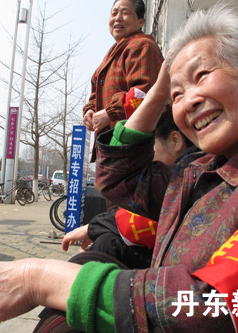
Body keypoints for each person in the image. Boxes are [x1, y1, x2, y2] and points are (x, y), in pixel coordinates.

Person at [0, 5, 238, 333]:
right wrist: (155, 95)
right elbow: (118, 180)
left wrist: (45, 280)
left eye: (202, 76)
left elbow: (224, 305)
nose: (187, 102)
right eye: (177, 94)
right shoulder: (199, 168)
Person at [62, 107, 199, 269]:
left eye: (149, 152)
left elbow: (144, 222)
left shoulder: (191, 175)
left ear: (175, 141)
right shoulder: (187, 170)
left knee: (107, 246)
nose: (144, 162)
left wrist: (95, 228)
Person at [83, 0, 163, 163]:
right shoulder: (112, 54)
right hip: (112, 147)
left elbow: (145, 93)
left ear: (141, 21)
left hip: (132, 149)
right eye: (114, 13)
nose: (117, 18)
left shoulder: (142, 46)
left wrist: (109, 113)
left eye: (125, 13)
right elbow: (95, 94)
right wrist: (90, 111)